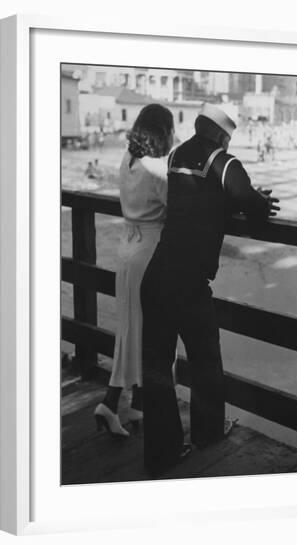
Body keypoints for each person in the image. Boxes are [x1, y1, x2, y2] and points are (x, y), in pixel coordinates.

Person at [140, 102, 280, 476]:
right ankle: (208, 435)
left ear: (199, 125)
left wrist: (240, 197)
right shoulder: (226, 163)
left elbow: (199, 198)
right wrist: (258, 200)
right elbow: (251, 203)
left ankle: (162, 450)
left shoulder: (176, 156)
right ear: (222, 134)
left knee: (155, 367)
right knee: (205, 360)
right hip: (188, 282)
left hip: (155, 276)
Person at [94, 104, 175, 437]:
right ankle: (114, 402)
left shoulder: (128, 162)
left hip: (127, 250)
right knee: (153, 335)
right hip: (150, 253)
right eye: (171, 130)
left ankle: (132, 405)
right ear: (162, 133)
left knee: (130, 330)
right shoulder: (157, 169)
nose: (174, 136)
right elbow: (179, 208)